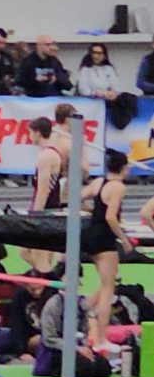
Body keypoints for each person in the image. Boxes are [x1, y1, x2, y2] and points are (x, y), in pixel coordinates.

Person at [81, 149, 132, 351]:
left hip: (91, 234)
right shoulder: (117, 187)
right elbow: (111, 217)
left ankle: (83, 309)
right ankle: (101, 338)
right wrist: (124, 239)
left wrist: (92, 211)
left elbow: (76, 196)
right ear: (124, 167)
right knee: (109, 287)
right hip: (105, 237)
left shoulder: (98, 182)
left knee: (105, 284)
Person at [34, 289, 112, 377]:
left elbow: (84, 331)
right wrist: (77, 349)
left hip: (79, 346)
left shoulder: (81, 303)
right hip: (57, 349)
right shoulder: (53, 304)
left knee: (104, 367)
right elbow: (49, 339)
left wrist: (86, 348)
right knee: (85, 368)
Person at [23, 117, 64, 274]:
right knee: (25, 251)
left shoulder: (46, 156)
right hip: (49, 208)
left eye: (30, 133)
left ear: (38, 133)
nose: (29, 137)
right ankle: (49, 277)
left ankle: (50, 282)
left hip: (46, 211)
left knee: (40, 257)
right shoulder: (50, 154)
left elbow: (43, 189)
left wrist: (36, 214)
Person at [9, 273, 55, 362]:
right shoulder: (20, 297)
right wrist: (22, 352)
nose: (36, 292)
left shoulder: (52, 293)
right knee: (40, 340)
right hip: (32, 337)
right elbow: (17, 325)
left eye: (39, 288)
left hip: (52, 336)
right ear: (26, 286)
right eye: (32, 289)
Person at [49, 103, 90, 198]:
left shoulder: (49, 136)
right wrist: (81, 146)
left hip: (48, 185)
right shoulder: (69, 143)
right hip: (63, 189)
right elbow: (85, 169)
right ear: (68, 120)